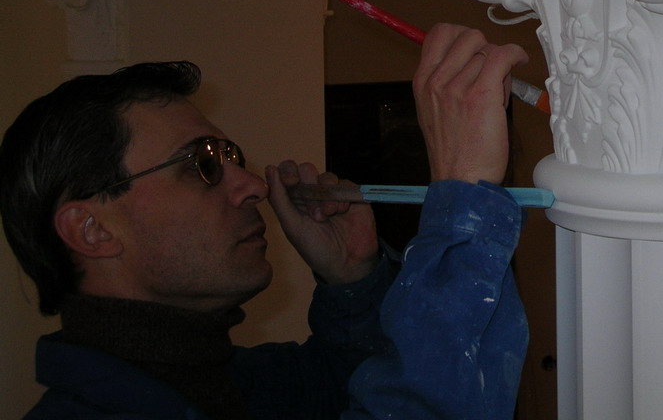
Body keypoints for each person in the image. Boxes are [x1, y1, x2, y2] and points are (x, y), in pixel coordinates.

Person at [0, 23, 531, 420]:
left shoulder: (236, 384)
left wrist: (353, 279)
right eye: (202, 164)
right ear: (92, 230)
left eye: (229, 156)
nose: (253, 185)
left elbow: (361, 386)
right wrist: (463, 204)